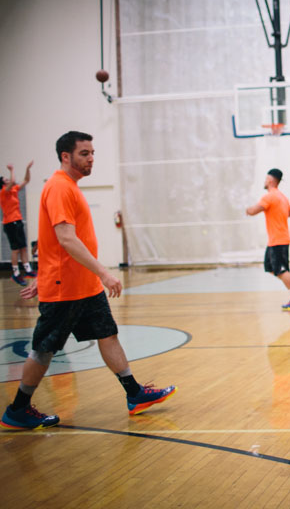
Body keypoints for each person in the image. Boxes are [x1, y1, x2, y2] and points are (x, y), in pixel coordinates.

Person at [2, 131, 176, 431]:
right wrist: (104, 273)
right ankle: (17, 409)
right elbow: (66, 239)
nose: (91, 158)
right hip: (65, 288)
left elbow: (52, 240)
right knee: (44, 349)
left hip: (84, 286)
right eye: (84, 153)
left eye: (93, 152)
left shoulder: (69, 186)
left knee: (107, 334)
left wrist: (46, 271)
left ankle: (134, 393)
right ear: (66, 156)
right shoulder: (58, 187)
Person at [246, 168, 290, 310]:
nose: (264, 182)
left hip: (279, 239)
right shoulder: (283, 197)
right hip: (275, 239)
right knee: (270, 267)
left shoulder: (269, 196)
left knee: (282, 270)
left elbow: (253, 211)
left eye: (266, 179)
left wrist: (247, 209)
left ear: (271, 180)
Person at [1, 161, 37, 284]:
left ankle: (28, 270)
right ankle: (16, 273)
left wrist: (27, 168)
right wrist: (11, 170)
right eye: (5, 179)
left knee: (23, 247)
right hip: (10, 223)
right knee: (15, 249)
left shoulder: (14, 190)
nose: (8, 180)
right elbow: (12, 182)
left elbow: (26, 180)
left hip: (18, 221)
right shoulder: (3, 193)